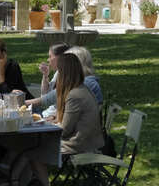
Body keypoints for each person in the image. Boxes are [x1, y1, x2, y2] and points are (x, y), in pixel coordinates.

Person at [30, 54, 104, 186]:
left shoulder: (75, 94)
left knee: (33, 152)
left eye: (60, 70)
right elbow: (69, 120)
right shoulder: (78, 89)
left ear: (64, 72)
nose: (58, 74)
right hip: (86, 141)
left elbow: (64, 130)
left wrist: (46, 123)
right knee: (31, 145)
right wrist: (53, 119)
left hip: (80, 145)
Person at [25, 43, 71, 110]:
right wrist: (45, 75)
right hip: (48, 114)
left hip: (54, 116)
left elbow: (45, 101)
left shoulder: (68, 77)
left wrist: (21, 103)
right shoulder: (58, 73)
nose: (48, 60)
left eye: (50, 56)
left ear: (60, 57)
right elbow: (45, 94)